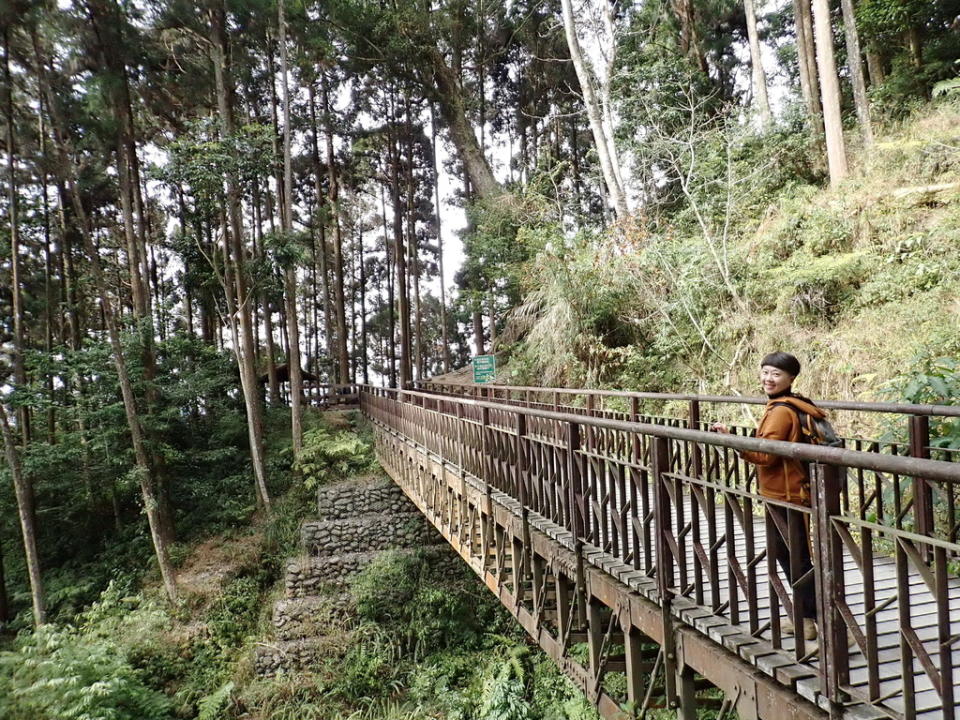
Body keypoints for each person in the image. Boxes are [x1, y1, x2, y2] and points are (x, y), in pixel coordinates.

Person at [711, 351, 827, 641]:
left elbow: (766, 454)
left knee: (796, 560)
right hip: (787, 493)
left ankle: (832, 624)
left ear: (790, 378)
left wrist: (733, 441)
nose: (768, 378)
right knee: (791, 558)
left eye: (775, 374)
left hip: (787, 495)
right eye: (765, 372)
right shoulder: (787, 404)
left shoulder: (780, 411)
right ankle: (807, 621)